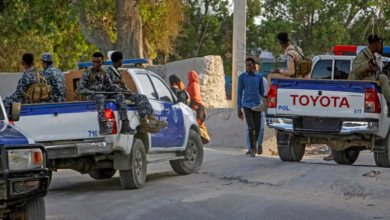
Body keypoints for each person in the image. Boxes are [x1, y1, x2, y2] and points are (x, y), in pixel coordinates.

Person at [105, 51, 168, 133]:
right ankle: (134, 124)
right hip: (113, 94)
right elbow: (109, 86)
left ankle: (148, 120)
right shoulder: (108, 72)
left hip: (122, 93)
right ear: (120, 61)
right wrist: (122, 90)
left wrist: (128, 91)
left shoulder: (117, 72)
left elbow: (123, 84)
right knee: (124, 97)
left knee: (141, 97)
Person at [77, 52, 135, 135]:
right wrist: (94, 92)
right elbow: (80, 90)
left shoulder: (103, 73)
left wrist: (122, 90)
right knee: (100, 96)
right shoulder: (87, 73)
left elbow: (110, 85)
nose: (96, 64)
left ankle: (125, 125)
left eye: (98, 62)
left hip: (103, 94)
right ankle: (103, 126)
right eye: (94, 62)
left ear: (102, 63)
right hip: (91, 96)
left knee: (120, 96)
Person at [252, 32, 305, 112]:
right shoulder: (297, 49)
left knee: (270, 75)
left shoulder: (289, 54)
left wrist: (279, 70)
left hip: (294, 78)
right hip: (301, 76)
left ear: (281, 43)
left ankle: (266, 100)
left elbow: (291, 71)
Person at [349, 34, 390, 103]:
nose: (381, 47)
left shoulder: (371, 55)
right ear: (377, 44)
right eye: (380, 44)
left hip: (365, 79)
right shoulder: (364, 54)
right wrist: (368, 63)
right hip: (358, 80)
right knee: (383, 78)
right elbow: (355, 69)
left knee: (386, 79)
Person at [237, 58, 265, 157]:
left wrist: (267, 99)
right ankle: (252, 148)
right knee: (250, 127)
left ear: (253, 65)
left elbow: (262, 92)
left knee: (258, 128)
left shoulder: (259, 77)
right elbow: (239, 92)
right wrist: (239, 108)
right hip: (247, 105)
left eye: (249, 65)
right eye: (247, 65)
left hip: (257, 105)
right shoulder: (242, 77)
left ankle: (256, 142)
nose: (248, 67)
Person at [245, 63, 267, 155]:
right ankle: (251, 148)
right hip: (249, 106)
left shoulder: (263, 80)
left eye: (256, 67)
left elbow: (265, 93)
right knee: (249, 128)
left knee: (261, 128)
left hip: (259, 106)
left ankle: (259, 144)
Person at [187, 71, 210, 144]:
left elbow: (194, 97)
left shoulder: (193, 85)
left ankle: (200, 141)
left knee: (196, 126)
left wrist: (192, 106)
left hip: (196, 108)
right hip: (199, 107)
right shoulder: (195, 84)